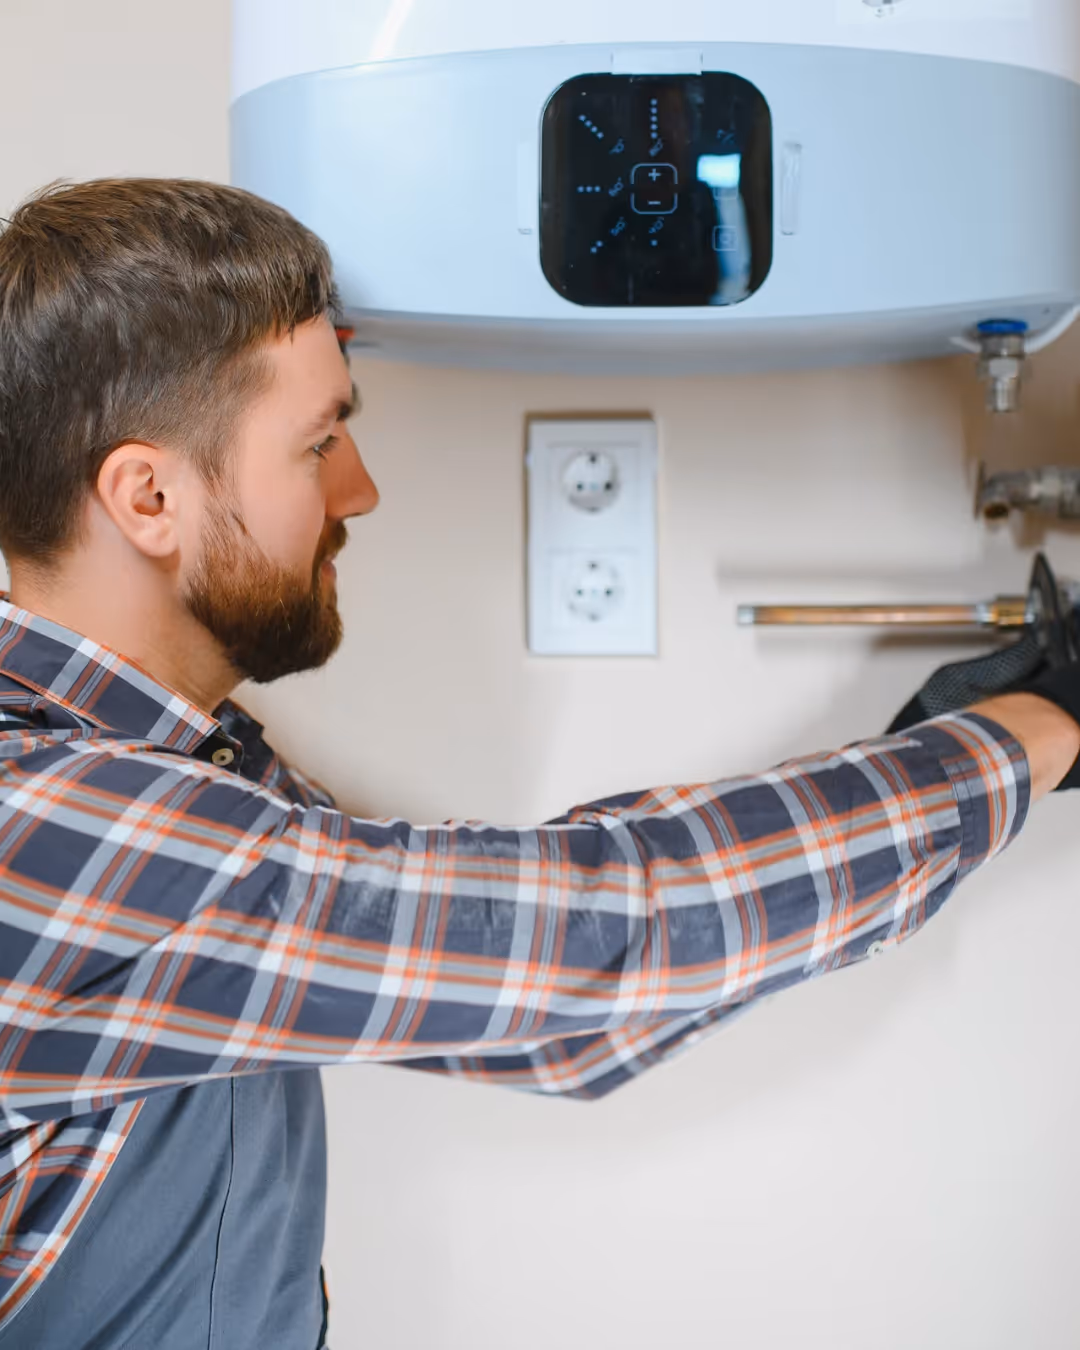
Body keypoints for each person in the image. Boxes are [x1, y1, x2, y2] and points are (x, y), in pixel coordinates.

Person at [0, 178, 1076, 1350]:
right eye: (318, 443)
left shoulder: (188, 776)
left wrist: (927, 751)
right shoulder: (47, 820)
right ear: (149, 496)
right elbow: (614, 924)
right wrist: (1033, 733)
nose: (361, 489)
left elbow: (550, 1021)